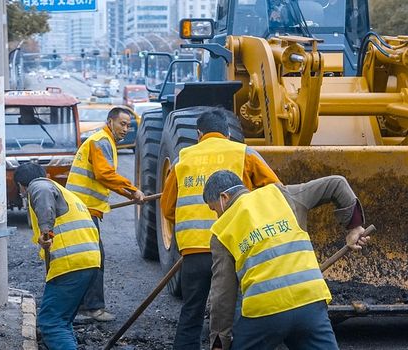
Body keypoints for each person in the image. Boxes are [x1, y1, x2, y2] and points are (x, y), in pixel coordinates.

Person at [203, 171, 370, 350]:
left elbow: (223, 294)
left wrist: (220, 341)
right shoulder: (282, 194)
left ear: (224, 197)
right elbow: (337, 183)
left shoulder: (222, 230)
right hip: (310, 302)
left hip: (264, 312)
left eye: (215, 209)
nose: (217, 216)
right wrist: (354, 227)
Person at [159, 107, 281, 349]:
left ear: (198, 134)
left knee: (192, 311)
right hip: (234, 250)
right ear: (227, 132)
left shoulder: (183, 158)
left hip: (194, 253)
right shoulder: (244, 154)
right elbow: (276, 192)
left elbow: (167, 208)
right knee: (234, 312)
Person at [65, 106, 144, 322]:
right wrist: (132, 190)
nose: (126, 129)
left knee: (89, 258)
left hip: (84, 209)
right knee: (94, 258)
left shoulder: (102, 141)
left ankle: (84, 306)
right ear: (110, 122)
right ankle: (91, 308)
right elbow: (105, 174)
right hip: (83, 210)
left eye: (129, 125)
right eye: (122, 124)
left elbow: (104, 176)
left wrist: (129, 194)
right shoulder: (101, 141)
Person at [14, 163, 101, 350]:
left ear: (22, 185)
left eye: (21, 190)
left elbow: (41, 190)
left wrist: (46, 231)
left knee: (51, 323)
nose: (22, 194)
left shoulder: (39, 185)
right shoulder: (65, 193)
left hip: (71, 263)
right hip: (87, 261)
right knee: (62, 320)